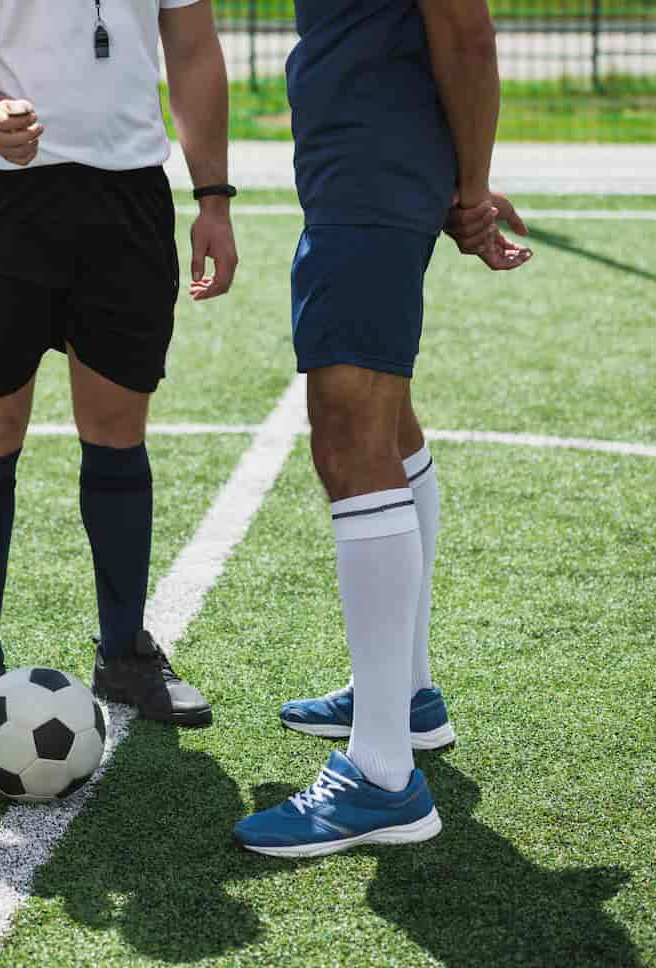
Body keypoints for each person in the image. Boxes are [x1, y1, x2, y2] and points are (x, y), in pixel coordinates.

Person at [233, 0, 532, 857]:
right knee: (386, 422)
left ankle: (383, 777)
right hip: (366, 166)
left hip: (371, 170)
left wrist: (469, 188)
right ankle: (404, 697)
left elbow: (464, 30)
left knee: (350, 437)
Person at [0, 0, 239, 744]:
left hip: (129, 198)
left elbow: (192, 50)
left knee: (118, 430)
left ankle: (124, 652)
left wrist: (213, 197)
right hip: (2, 197)